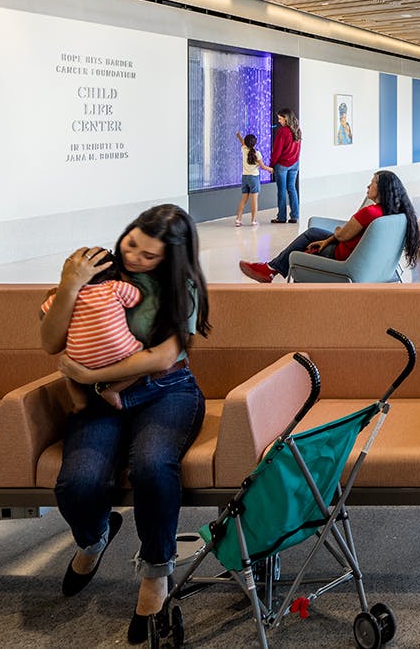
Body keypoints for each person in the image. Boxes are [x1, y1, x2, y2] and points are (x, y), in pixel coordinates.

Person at [43, 204, 210, 643]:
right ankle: (95, 537)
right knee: (78, 484)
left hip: (166, 390)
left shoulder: (182, 287)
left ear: (171, 258)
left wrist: (88, 376)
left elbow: (162, 357)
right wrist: (70, 284)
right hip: (101, 399)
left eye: (149, 255)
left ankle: (156, 572)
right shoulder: (98, 270)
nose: (134, 257)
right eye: (131, 243)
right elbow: (50, 342)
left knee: (152, 467)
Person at [238, 169, 418, 283]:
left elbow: (342, 235)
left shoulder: (369, 212)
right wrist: (328, 239)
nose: (368, 186)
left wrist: (336, 233)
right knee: (313, 234)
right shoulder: (392, 213)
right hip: (365, 261)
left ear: (382, 189)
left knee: (307, 240)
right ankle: (271, 269)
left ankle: (270, 269)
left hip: (342, 257)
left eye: (372, 183)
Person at [40, 271, 144, 412]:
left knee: (67, 367)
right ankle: (113, 390)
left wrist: (62, 293)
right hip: (118, 351)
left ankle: (79, 401)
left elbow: (42, 314)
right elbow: (137, 298)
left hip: (82, 358)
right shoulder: (114, 287)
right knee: (141, 360)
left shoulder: (65, 295)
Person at [268, 108, 301, 224]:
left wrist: (271, 165)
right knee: (292, 188)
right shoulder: (297, 130)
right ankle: (295, 216)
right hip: (295, 163)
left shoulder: (282, 131)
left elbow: (276, 151)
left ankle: (281, 217)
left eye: (280, 118)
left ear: (286, 119)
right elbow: (298, 149)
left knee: (281, 190)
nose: (279, 121)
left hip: (282, 165)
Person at [234, 132, 262, 227]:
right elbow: (262, 166)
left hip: (245, 177)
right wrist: (271, 169)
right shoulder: (257, 154)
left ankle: (238, 220)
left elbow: (242, 143)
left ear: (246, 143)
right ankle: (253, 221)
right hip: (254, 178)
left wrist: (239, 136)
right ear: (255, 143)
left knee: (243, 200)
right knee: (254, 201)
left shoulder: (244, 150)